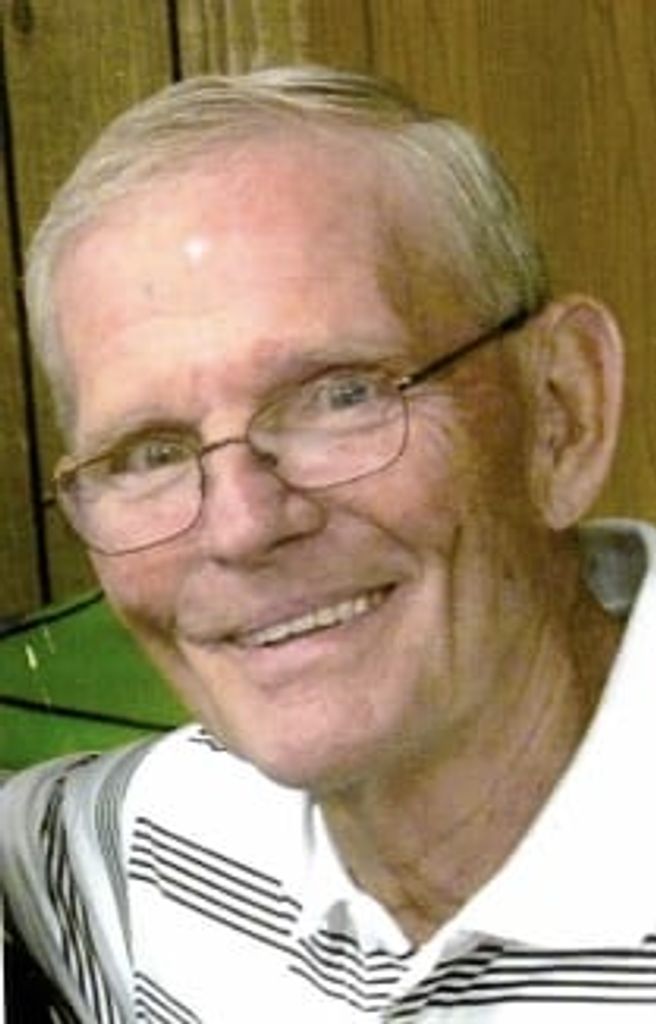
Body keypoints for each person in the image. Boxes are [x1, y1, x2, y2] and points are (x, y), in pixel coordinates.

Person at [1, 64, 654, 1022]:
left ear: (561, 411)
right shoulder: (154, 850)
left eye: (341, 395)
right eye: (150, 453)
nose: (243, 525)